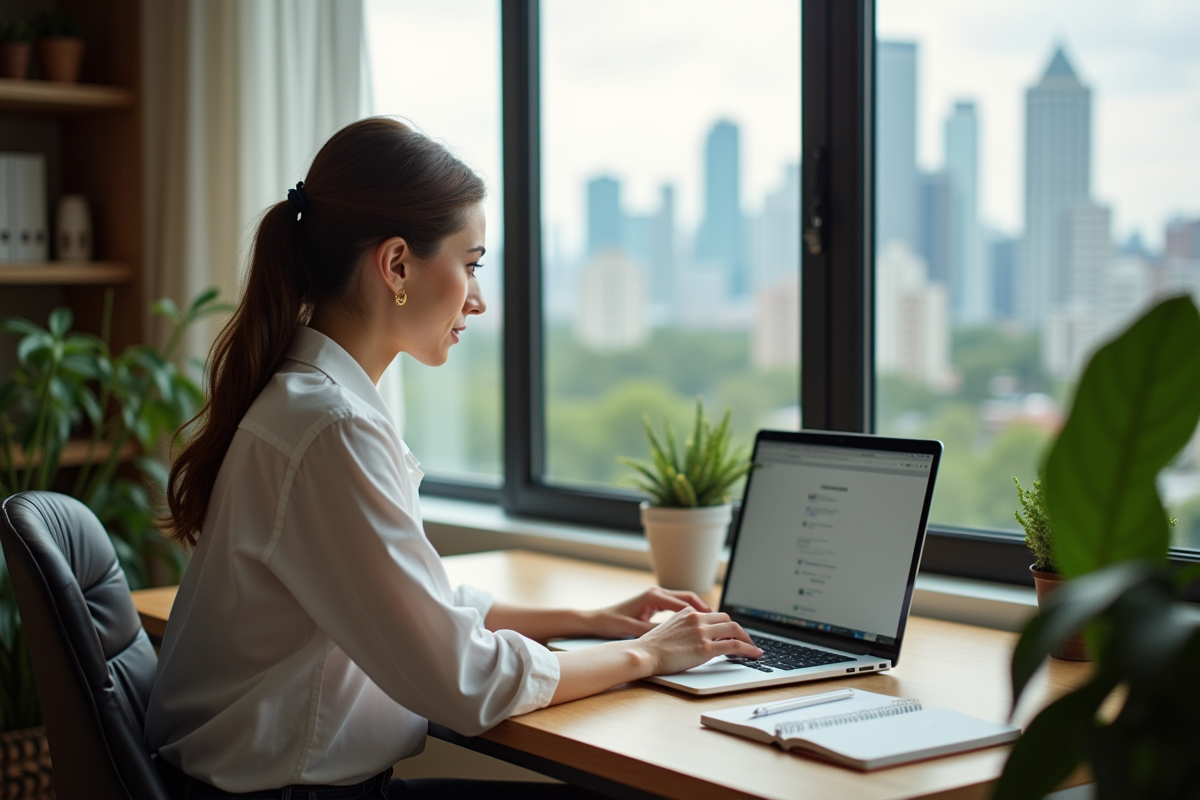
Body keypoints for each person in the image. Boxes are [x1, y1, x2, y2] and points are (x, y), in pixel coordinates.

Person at [146, 117, 761, 800]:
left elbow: (421, 604)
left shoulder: (309, 402)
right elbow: (463, 681)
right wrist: (649, 653)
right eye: (470, 264)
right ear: (397, 264)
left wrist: (591, 621)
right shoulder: (331, 428)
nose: (479, 297)